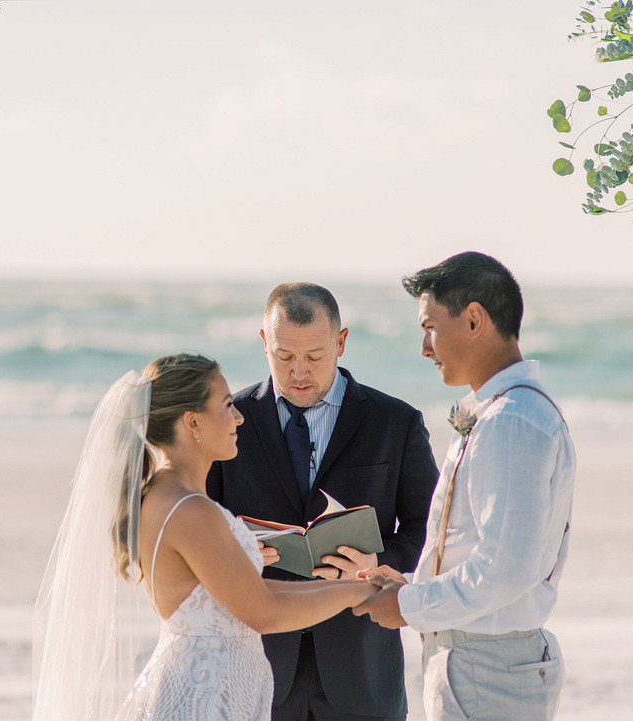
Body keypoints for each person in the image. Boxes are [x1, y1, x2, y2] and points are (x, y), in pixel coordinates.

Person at [33, 353, 376, 721]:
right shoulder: (189, 509)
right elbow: (263, 611)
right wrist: (357, 592)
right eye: (227, 406)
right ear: (192, 422)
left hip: (204, 687)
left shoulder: (167, 494)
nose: (239, 417)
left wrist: (359, 586)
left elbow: (253, 596)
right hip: (201, 697)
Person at [353, 252, 576, 721]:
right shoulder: (504, 411)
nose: (424, 348)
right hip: (484, 660)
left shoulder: (512, 421)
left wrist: (410, 604)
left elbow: (505, 569)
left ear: (474, 319)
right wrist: (412, 584)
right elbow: (480, 550)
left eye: (429, 327)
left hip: (488, 666)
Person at [207, 283, 440, 721]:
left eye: (314, 357)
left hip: (362, 668)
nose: (299, 372)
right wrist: (236, 553)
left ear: (341, 342)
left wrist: (376, 564)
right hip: (258, 667)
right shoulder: (230, 422)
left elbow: (428, 526)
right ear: (264, 343)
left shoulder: (397, 422)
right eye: (284, 356)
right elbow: (203, 527)